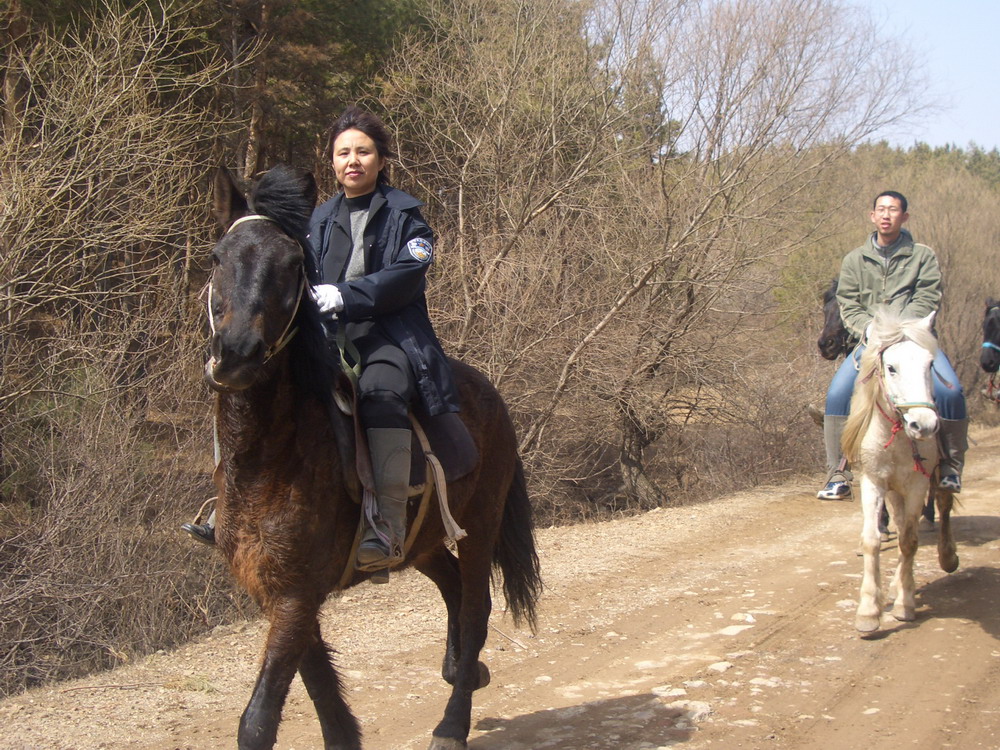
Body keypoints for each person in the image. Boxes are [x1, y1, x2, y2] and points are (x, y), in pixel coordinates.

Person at [184, 106, 460, 572]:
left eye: (364, 151)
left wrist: (347, 295)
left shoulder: (406, 216)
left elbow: (407, 276)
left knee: (381, 391)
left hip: (386, 335)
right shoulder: (314, 220)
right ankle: (228, 505)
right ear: (332, 161)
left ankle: (386, 524)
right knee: (240, 379)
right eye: (343, 152)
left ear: (381, 159)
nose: (353, 160)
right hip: (324, 335)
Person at [817, 190, 968, 500]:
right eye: (881, 209)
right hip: (871, 342)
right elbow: (848, 302)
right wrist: (869, 328)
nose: (886, 215)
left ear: (905, 217)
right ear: (873, 216)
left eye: (893, 210)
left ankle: (951, 466)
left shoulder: (922, 256)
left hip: (914, 340)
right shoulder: (854, 259)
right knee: (837, 394)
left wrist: (899, 329)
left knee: (950, 390)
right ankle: (838, 473)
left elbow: (928, 297)